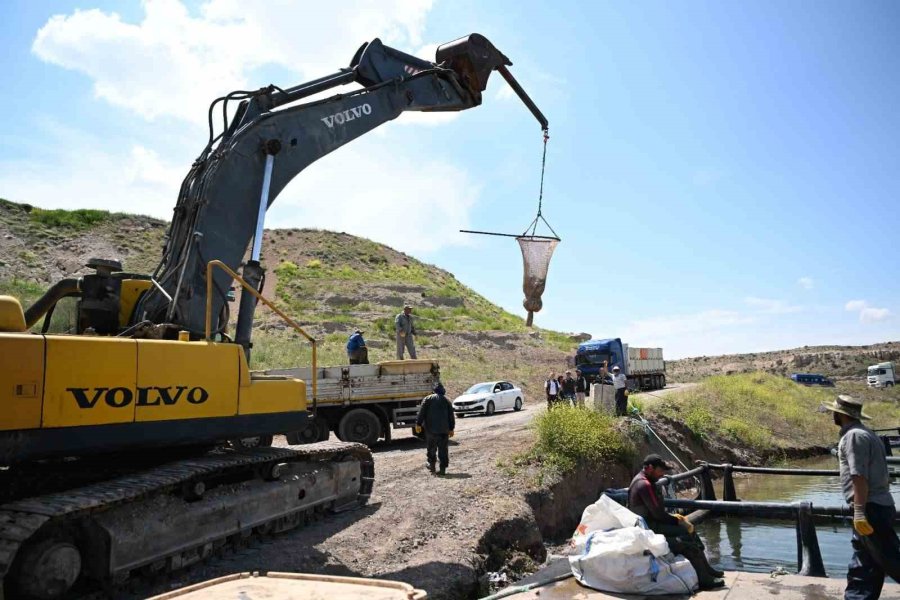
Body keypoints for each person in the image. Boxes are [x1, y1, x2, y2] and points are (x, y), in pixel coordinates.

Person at [824, 395, 900, 600]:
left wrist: (859, 511)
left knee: (891, 559)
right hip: (876, 505)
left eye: (834, 412)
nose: (833, 415)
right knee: (865, 564)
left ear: (840, 414)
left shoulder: (854, 437)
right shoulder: (865, 433)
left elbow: (859, 476)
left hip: (870, 507)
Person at [628, 454, 725, 590]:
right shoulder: (644, 484)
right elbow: (658, 514)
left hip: (653, 523)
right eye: (660, 471)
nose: (662, 475)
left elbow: (657, 512)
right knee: (686, 539)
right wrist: (677, 521)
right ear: (650, 468)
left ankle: (707, 570)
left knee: (690, 530)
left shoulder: (647, 481)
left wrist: (679, 519)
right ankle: (704, 580)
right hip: (649, 528)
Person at [415, 383, 455, 475]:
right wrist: (451, 428)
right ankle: (442, 470)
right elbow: (451, 416)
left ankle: (432, 466)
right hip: (444, 431)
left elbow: (422, 412)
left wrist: (418, 424)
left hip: (430, 430)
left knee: (431, 449)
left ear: (434, 390)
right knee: (443, 450)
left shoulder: (427, 399)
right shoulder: (447, 400)